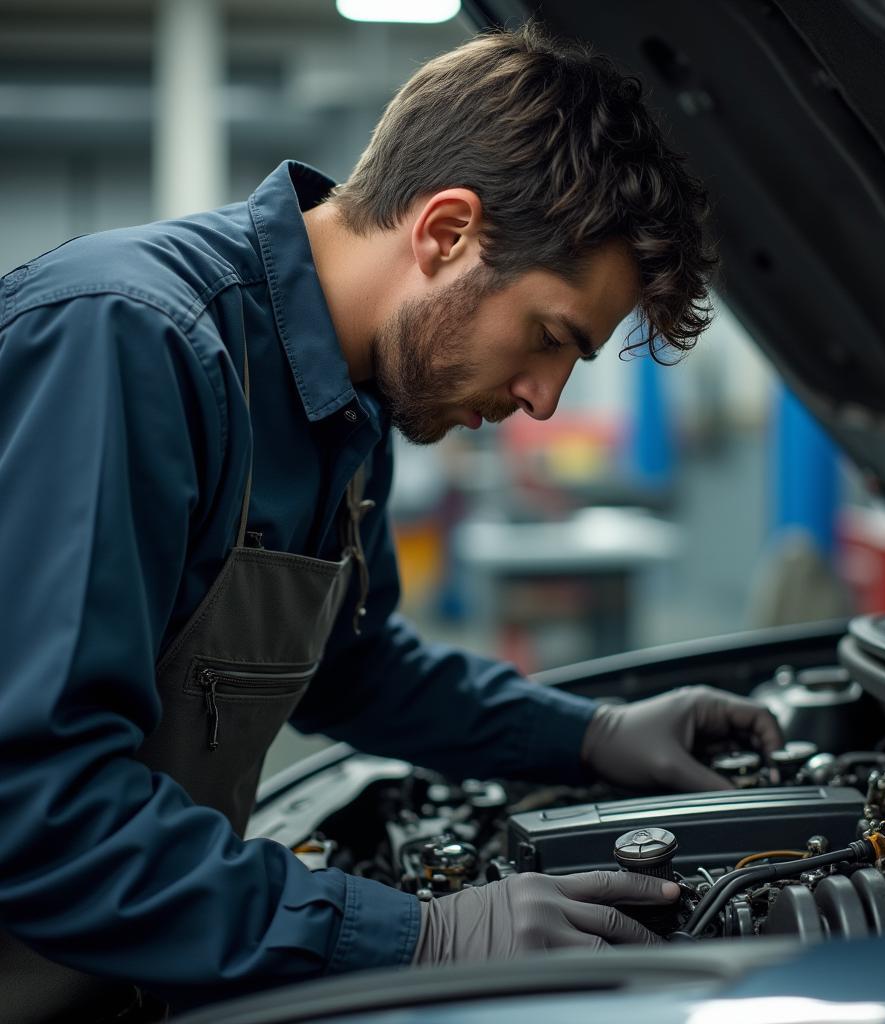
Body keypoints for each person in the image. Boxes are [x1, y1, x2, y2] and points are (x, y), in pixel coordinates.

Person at [0, 22, 781, 1021]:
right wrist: (419, 934)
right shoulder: (130, 343)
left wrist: (594, 735)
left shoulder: (352, 400)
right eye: (549, 338)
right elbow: (35, 807)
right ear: (447, 231)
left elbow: (355, 667)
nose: (545, 399)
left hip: (123, 968)